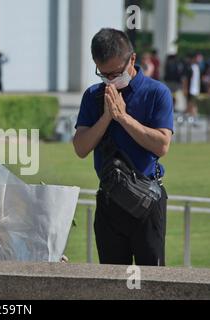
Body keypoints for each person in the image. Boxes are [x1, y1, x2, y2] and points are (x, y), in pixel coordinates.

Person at [73, 28, 173, 266]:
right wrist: (107, 116)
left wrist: (123, 118)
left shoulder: (156, 93)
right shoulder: (93, 96)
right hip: (109, 200)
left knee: (151, 281)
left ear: (133, 59)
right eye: (103, 74)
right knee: (112, 281)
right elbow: (81, 147)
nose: (110, 80)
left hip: (146, 200)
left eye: (116, 73)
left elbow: (161, 145)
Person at [184, 53, 201, 117]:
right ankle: (191, 115)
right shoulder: (190, 67)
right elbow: (186, 79)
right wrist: (185, 88)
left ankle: (191, 115)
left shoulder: (197, 67)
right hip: (191, 89)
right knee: (190, 103)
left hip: (196, 89)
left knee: (193, 103)